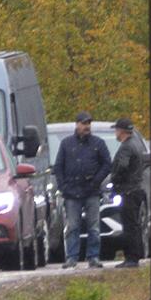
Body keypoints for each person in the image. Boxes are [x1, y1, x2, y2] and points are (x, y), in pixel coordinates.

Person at [51, 111, 112, 268]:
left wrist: (96, 181)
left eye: (88, 124)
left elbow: (107, 164)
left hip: (91, 191)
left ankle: (93, 256)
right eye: (84, 123)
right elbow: (58, 166)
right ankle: (72, 257)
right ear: (77, 124)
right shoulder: (66, 144)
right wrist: (63, 186)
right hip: (72, 192)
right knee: (73, 226)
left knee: (94, 226)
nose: (86, 127)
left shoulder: (98, 143)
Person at [109, 117, 148, 267]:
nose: (116, 133)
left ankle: (131, 257)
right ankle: (135, 255)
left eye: (117, 130)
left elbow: (123, 166)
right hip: (136, 188)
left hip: (128, 190)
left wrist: (115, 179)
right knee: (135, 224)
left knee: (129, 225)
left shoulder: (126, 147)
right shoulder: (137, 144)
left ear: (122, 131)